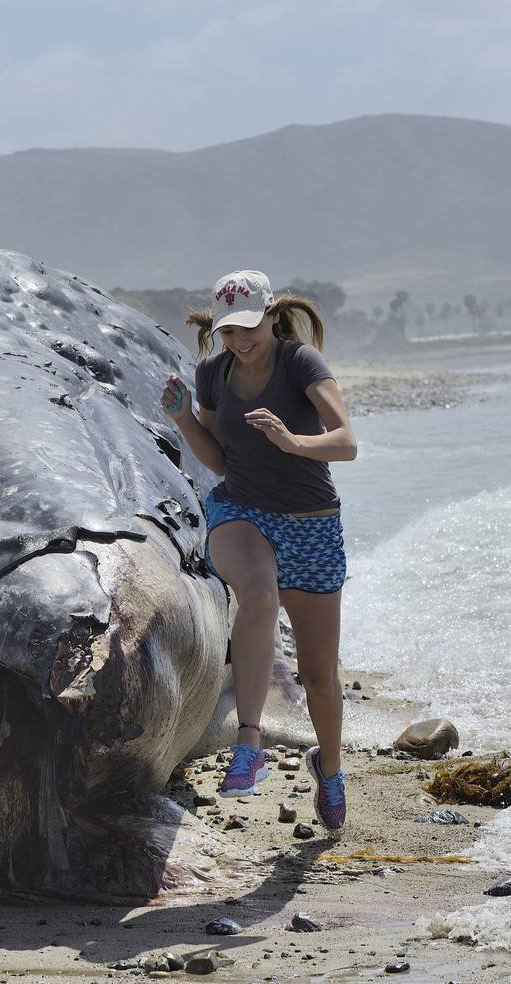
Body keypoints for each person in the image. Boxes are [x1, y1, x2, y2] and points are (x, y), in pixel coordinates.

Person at [159, 270, 357, 833]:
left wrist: (293, 442)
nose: (240, 341)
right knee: (257, 592)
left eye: (249, 327)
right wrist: (181, 418)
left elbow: (347, 441)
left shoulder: (301, 365)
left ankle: (332, 767)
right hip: (241, 509)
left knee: (320, 679)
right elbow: (219, 460)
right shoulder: (212, 374)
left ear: (270, 316)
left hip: (311, 524)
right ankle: (249, 743)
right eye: (228, 332)